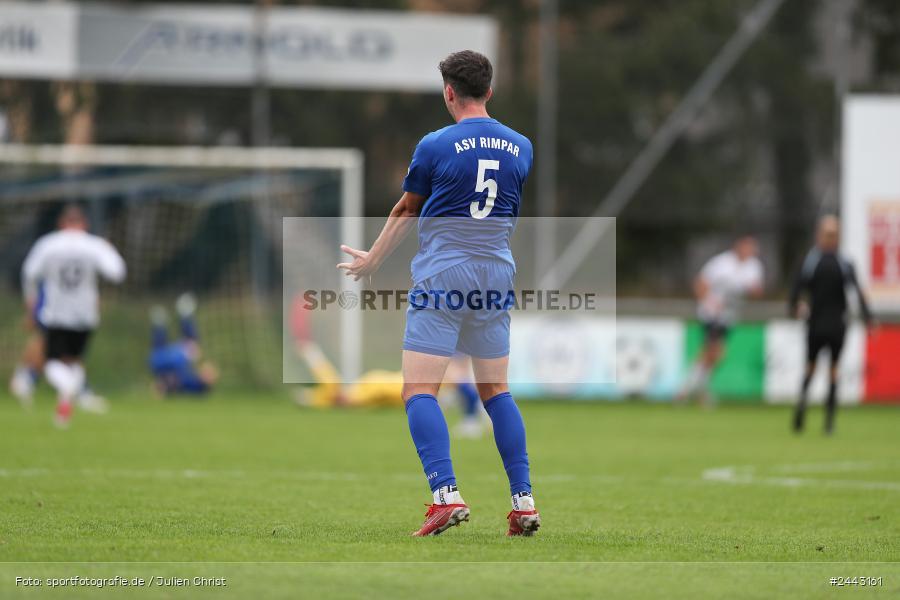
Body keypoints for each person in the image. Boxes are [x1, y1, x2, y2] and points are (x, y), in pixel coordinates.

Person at [336, 50, 539, 536]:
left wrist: (372, 260)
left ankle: (446, 496)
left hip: (445, 273)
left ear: (449, 91)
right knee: (497, 392)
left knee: (420, 390)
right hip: (496, 273)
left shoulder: (435, 144)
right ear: (490, 90)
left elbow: (408, 209)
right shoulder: (522, 146)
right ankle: (524, 503)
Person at [21, 204, 126, 427]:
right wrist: (109, 249)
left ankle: (67, 388)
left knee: (51, 363)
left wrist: (31, 302)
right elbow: (117, 272)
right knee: (74, 360)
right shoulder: (94, 245)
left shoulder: (48, 244)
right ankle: (66, 406)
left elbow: (29, 273)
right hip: (85, 315)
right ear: (84, 224)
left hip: (56, 314)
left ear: (61, 224)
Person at [789, 215, 873, 435]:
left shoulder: (830, 262)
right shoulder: (821, 262)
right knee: (822, 369)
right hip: (823, 323)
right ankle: (814, 416)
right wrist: (868, 318)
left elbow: (797, 289)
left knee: (824, 369)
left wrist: (868, 318)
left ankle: (820, 418)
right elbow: (798, 289)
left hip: (829, 324)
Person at [679, 236, 764, 405]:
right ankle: (688, 390)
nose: (750, 252)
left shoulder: (754, 266)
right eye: (748, 247)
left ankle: (695, 388)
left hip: (730, 315)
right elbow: (700, 283)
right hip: (711, 313)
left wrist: (752, 289)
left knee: (713, 354)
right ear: (739, 246)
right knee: (714, 350)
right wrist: (710, 302)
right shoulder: (721, 263)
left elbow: (757, 291)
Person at [149, 293, 219, 396]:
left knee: (193, 348)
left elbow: (165, 386)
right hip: (163, 361)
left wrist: (160, 387)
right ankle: (164, 323)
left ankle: (181, 317)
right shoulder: (193, 381)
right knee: (191, 348)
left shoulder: (193, 383)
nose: (207, 372)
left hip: (165, 362)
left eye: (209, 375)